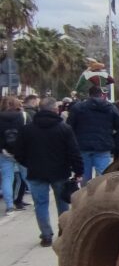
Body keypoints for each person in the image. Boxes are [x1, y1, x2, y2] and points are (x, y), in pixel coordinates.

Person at [13, 98, 83, 247]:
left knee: (40, 204)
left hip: (36, 172)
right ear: (55, 110)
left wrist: (29, 163)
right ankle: (64, 231)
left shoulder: (27, 130)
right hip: (60, 171)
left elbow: (18, 152)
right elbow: (74, 152)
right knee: (62, 203)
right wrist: (78, 171)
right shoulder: (64, 129)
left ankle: (46, 235)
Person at [67, 85, 119, 184]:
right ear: (101, 94)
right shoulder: (110, 107)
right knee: (103, 175)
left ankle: (85, 196)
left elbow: (69, 125)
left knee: (84, 175)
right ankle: (100, 196)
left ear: (89, 94)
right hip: (103, 144)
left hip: (83, 145)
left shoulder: (78, 107)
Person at [0, 96, 27, 216]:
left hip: (4, 152)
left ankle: (9, 206)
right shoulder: (24, 116)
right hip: (22, 151)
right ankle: (39, 202)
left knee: (7, 178)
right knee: (28, 177)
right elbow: (29, 132)